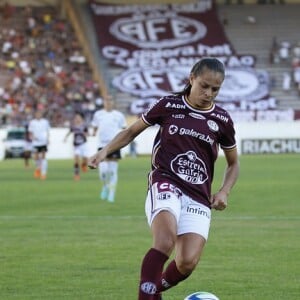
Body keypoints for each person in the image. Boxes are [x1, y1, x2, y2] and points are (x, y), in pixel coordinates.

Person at [88, 58, 240, 299]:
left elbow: (233, 163)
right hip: (165, 181)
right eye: (204, 86)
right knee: (165, 241)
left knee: (187, 262)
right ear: (191, 78)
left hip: (199, 195)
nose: (209, 93)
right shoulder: (169, 104)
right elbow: (131, 131)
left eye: (215, 89)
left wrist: (224, 191)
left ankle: (153, 289)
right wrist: (105, 151)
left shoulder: (222, 120)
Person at [91, 95, 127, 202]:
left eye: (110, 100)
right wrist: (93, 132)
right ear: (103, 102)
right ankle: (105, 186)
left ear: (113, 102)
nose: (108, 102)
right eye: (106, 100)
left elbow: (124, 128)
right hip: (101, 145)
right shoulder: (98, 114)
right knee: (103, 170)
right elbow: (95, 126)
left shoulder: (119, 115)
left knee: (112, 170)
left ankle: (112, 193)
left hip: (114, 144)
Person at [63, 112, 89, 181]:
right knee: (76, 158)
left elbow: (87, 134)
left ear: (81, 119)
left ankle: (84, 165)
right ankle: (76, 174)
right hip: (76, 145)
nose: (77, 119)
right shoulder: (73, 126)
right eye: (76, 118)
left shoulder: (84, 126)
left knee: (85, 159)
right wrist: (65, 138)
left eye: (78, 118)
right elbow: (70, 132)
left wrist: (85, 133)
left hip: (83, 144)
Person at [28, 110, 50, 180]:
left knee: (43, 157)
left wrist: (48, 139)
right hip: (35, 142)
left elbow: (48, 131)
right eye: (37, 114)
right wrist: (32, 137)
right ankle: (38, 168)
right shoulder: (32, 122)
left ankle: (43, 173)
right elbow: (30, 132)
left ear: (41, 114)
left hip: (43, 141)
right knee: (35, 157)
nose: (38, 115)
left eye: (39, 114)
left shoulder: (45, 122)